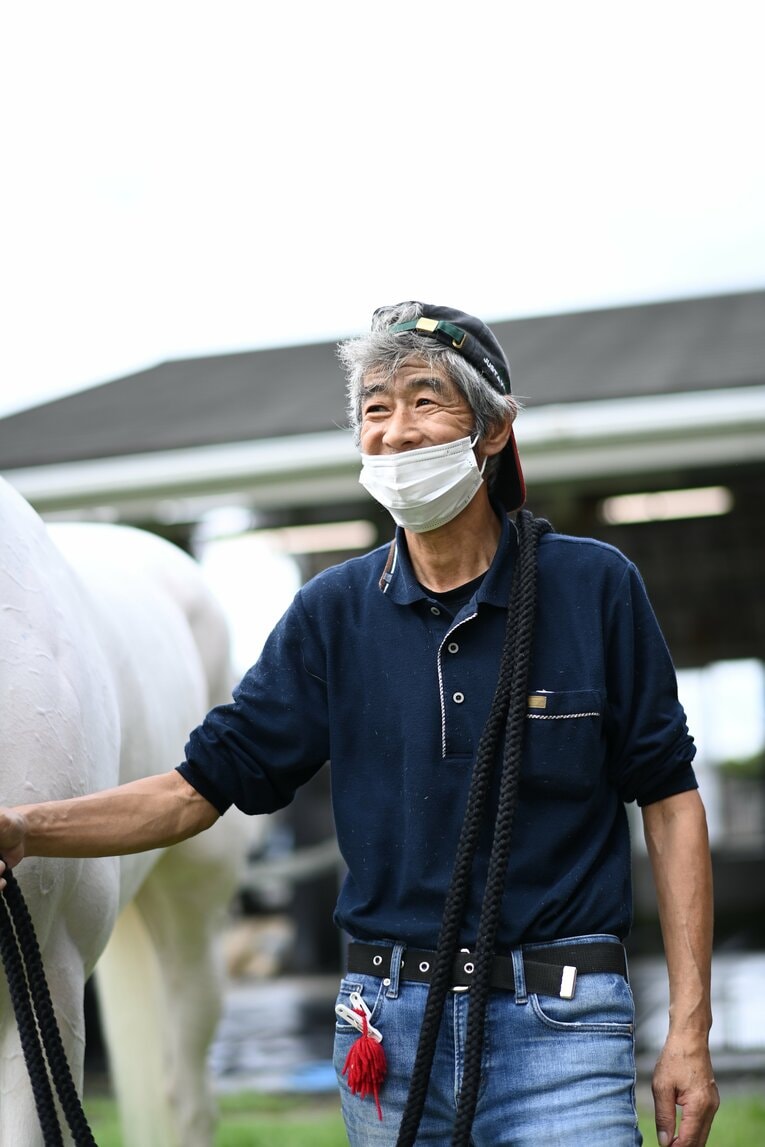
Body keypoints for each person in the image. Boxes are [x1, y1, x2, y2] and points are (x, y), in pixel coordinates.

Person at [0, 302, 719, 1146]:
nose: (397, 431)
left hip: (560, 1029)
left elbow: (670, 807)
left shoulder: (593, 589)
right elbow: (196, 792)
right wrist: (22, 828)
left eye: (425, 399)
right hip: (385, 1034)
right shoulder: (330, 615)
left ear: (492, 429)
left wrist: (688, 1033)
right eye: (375, 409)